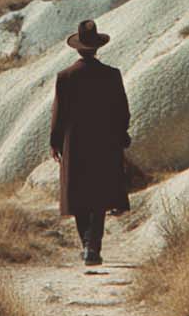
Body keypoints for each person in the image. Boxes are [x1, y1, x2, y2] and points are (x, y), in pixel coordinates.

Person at [49, 18, 131, 267]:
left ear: (77, 48)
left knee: (79, 194)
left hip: (75, 144)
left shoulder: (65, 77)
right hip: (104, 142)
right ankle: (92, 246)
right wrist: (121, 134)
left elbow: (58, 114)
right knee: (100, 195)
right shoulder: (112, 75)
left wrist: (55, 142)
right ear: (97, 48)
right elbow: (122, 110)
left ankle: (86, 245)